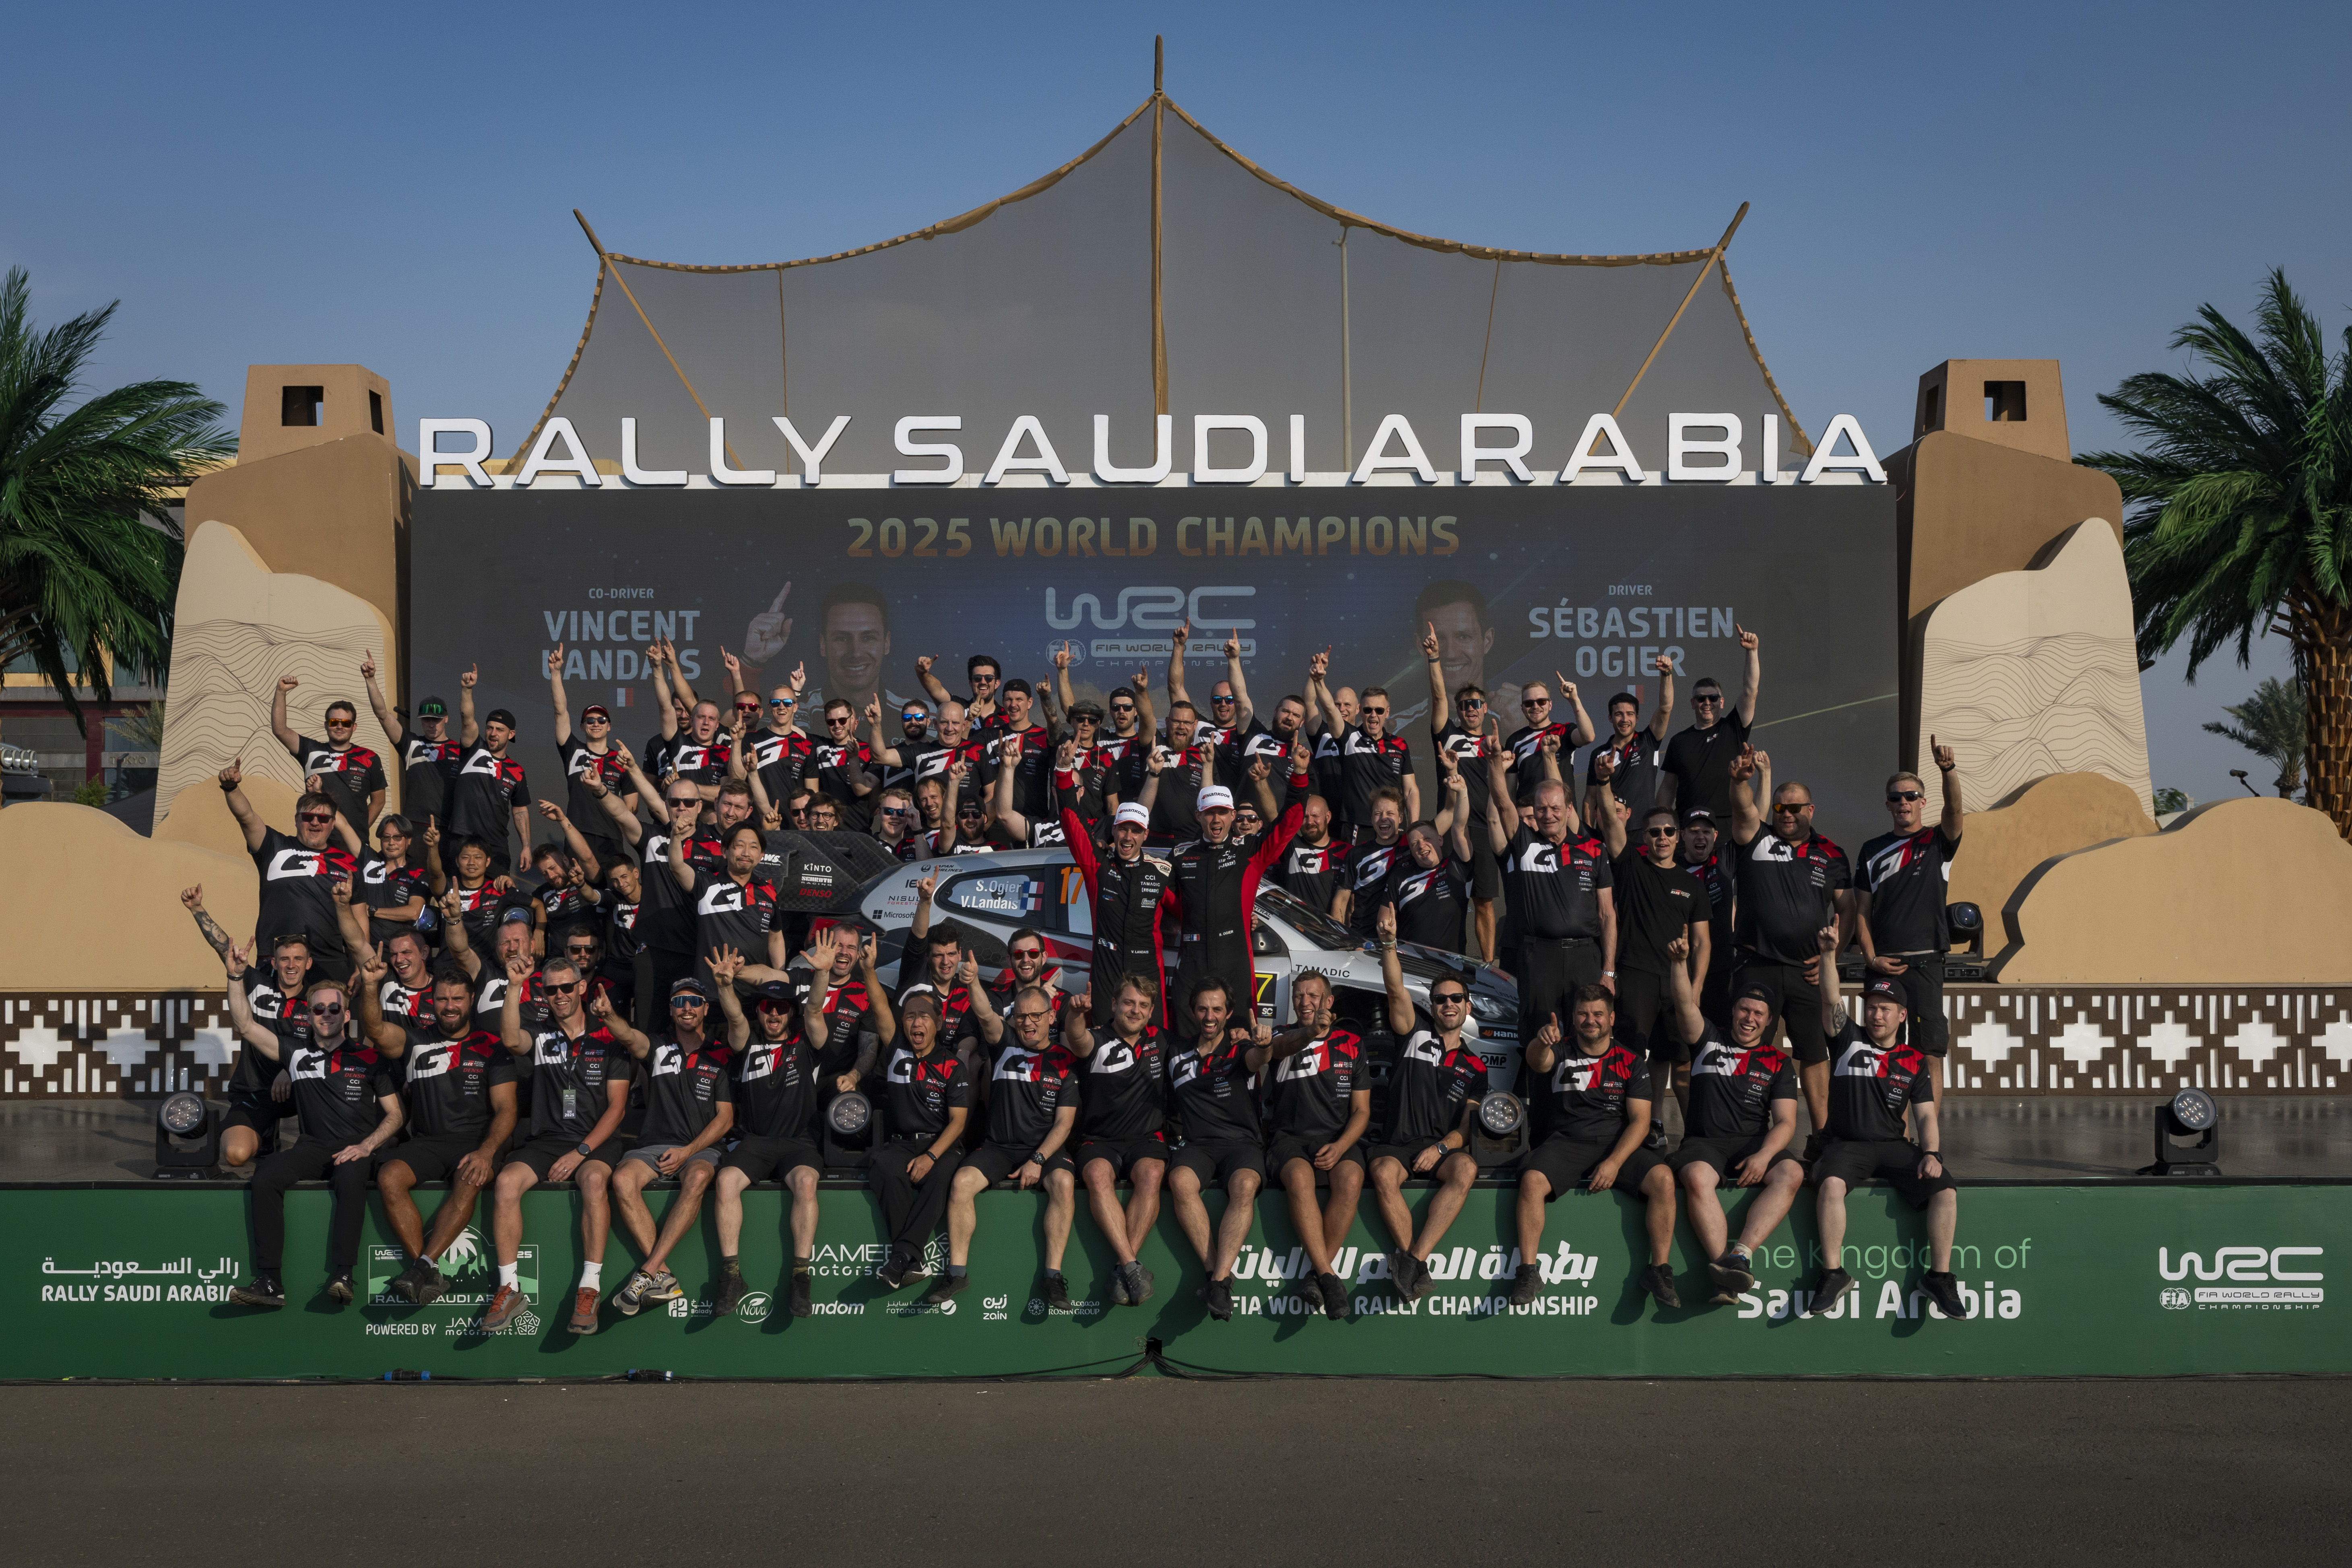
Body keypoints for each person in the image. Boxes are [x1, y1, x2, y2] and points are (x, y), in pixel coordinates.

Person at [223, 958, 402, 1310]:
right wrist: (234, 976)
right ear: (309, 1016)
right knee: (266, 1176)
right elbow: (245, 1025)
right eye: (318, 1009)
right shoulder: (295, 1053)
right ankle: (271, 1282)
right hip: (313, 1147)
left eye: (334, 1009)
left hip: (357, 1148)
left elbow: (396, 1115)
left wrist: (367, 1146)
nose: (326, 1015)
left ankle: (344, 1275)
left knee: (350, 1177)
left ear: (346, 1015)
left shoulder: (370, 1057)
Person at [1806, 941, 1966, 1321]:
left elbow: (1925, 1116)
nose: (1876, 1015)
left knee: (1945, 1190)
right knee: (1831, 1186)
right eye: (1872, 1008)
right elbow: (1830, 1000)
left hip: (1895, 1146)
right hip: (1848, 1145)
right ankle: (1833, 1274)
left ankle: (1939, 1278)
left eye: (1885, 1009)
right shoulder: (1847, 1039)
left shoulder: (1913, 1060)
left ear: (1902, 1015)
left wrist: (1932, 1153)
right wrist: (1828, 955)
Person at [355, 955, 519, 1306]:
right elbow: (375, 1029)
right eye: (442, 999)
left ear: (471, 1000)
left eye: (457, 999)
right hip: (428, 1142)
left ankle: (420, 1268)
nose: (450, 1006)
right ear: (432, 1001)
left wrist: (487, 1152)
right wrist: (370, 986)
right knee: (389, 1177)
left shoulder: (493, 1046)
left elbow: (507, 1109)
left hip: (476, 1142)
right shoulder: (414, 1039)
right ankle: (426, 1270)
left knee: (470, 1178)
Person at [480, 954, 631, 1335]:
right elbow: (510, 1039)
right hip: (547, 1139)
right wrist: (515, 985)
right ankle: (509, 1288)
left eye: (567, 987)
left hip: (594, 1142)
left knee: (594, 1181)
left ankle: (589, 1288)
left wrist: (581, 1152)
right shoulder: (540, 1032)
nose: (560, 995)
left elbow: (617, 1109)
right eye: (551, 990)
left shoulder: (608, 1037)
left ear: (581, 987)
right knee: (506, 1182)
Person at [1510, 984, 1678, 1310]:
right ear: (1573, 1018)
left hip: (1617, 1143)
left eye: (1598, 1014)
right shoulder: (1560, 1049)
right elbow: (1538, 1062)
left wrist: (1614, 1162)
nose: (1591, 1020)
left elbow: (1641, 1123)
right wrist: (1540, 1041)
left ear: (1611, 1018)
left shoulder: (1631, 1061)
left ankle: (1660, 1271)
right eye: (1583, 1014)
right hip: (1567, 1142)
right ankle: (1527, 1273)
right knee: (1532, 1180)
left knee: (1663, 1179)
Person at [1658, 939, 1804, 1306]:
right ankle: (1725, 1268)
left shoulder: (1778, 1062)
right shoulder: (1707, 1039)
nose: (1750, 1019)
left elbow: (1786, 1122)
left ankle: (1741, 1256)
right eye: (1744, 1009)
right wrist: (1679, 963)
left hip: (1753, 1143)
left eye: (1758, 1013)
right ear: (1733, 1010)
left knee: (1792, 1173)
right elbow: (1684, 1004)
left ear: (1769, 1020)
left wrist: (1764, 1155)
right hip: (1704, 1142)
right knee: (1696, 1177)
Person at [605, 953, 745, 1319]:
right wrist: (608, 1016)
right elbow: (628, 1036)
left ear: (705, 1009)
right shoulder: (657, 1046)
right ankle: (663, 1275)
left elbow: (726, 1119)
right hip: (653, 1145)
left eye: (694, 1002)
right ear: (671, 1009)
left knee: (698, 1177)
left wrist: (687, 1151)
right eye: (679, 1001)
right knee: (621, 1180)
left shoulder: (720, 1054)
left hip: (701, 1149)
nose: (687, 1008)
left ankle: (647, 1272)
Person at [707, 937, 839, 1319]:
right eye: (768, 1008)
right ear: (761, 1012)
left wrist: (823, 973)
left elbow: (815, 1009)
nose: (775, 1015)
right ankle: (731, 1276)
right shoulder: (747, 1044)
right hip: (756, 1142)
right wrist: (725, 986)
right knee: (726, 1181)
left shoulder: (807, 1045)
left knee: (806, 1183)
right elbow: (735, 1018)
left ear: (789, 1014)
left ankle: (801, 1276)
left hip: (798, 1143)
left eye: (782, 1008)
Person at [1726, 745, 1852, 1136]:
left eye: (1796, 808)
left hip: (1807, 973)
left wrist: (1832, 959)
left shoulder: (1832, 853)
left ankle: (1822, 1137)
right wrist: (1740, 781)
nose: (1787, 814)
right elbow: (1744, 808)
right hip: (1756, 966)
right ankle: (1744, 1135)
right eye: (1780, 807)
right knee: (1747, 1050)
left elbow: (1847, 909)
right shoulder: (1756, 837)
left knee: (1814, 1054)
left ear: (1811, 810)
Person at [1364, 905, 1487, 1302]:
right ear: (1432, 1006)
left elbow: (1467, 1128)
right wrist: (1388, 944)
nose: (1448, 1004)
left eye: (1456, 998)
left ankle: (1413, 1259)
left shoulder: (1476, 1066)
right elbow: (1395, 989)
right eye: (1440, 999)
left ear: (1468, 1006)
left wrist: (1441, 1149)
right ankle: (1414, 1264)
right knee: (1383, 1172)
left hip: (1439, 1148)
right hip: (1398, 1144)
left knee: (1467, 1167)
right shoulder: (1412, 1033)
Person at [935, 981, 1081, 1309]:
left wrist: (1038, 1160)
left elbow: (1064, 1124)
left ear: (1051, 1017)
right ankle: (957, 1273)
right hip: (999, 1147)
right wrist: (973, 982)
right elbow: (985, 1014)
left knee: (1064, 1182)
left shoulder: (1065, 1060)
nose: (1028, 1023)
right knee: (962, 1182)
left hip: (1045, 1149)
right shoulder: (1005, 1043)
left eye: (1036, 1016)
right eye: (1022, 1016)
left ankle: (1053, 1276)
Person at [1589, 757, 1712, 1137]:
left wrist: (1695, 990)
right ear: (1644, 837)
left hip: (1676, 982)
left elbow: (1703, 942)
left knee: (1677, 1058)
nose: (1662, 837)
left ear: (1679, 836)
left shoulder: (1692, 884)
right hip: (1636, 976)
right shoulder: (1630, 865)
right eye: (1655, 832)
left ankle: (1680, 1132)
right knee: (1630, 1057)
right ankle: (1629, 1130)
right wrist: (1604, 783)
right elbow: (1611, 823)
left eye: (1669, 832)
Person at [1164, 741, 1312, 1036]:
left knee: (1240, 1039)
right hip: (1192, 960)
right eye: (1209, 813)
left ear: (1233, 816)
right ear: (1198, 816)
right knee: (1186, 1041)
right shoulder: (1179, 855)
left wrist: (1299, 775)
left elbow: (1288, 823)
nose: (1216, 819)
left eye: (1222, 813)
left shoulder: (1249, 850)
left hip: (1234, 960)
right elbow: (1161, 902)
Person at [1483, 749, 1614, 1040]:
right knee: (1539, 1037)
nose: (1548, 815)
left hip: (1585, 957)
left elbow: (1607, 914)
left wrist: (1609, 971)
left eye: (1555, 808)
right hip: (1540, 957)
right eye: (1541, 809)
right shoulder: (1524, 843)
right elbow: (1503, 804)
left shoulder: (1594, 849)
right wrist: (1495, 766)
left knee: (1589, 1036)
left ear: (1569, 809)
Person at [1857, 739, 1964, 1091]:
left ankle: (1929, 1129)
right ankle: (1893, 1125)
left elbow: (1955, 809)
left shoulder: (1938, 841)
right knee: (1883, 1051)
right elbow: (1862, 911)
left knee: (1929, 1053)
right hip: (1884, 966)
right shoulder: (1871, 850)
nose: (1903, 802)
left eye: (1911, 796)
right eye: (1896, 797)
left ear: (1922, 802)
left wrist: (1948, 771)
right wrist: (1871, 959)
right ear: (1887, 804)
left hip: (1926, 964)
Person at [1165, 980, 1275, 1321]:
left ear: (1229, 1013)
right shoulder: (1175, 1051)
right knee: (1180, 1181)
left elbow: (1258, 1059)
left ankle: (1219, 1280)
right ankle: (1217, 1277)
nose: (1209, 1016)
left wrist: (1265, 1045)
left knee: (1245, 1186)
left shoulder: (1240, 1047)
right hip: (1197, 1146)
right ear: (1192, 1012)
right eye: (1203, 1009)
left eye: (1217, 1009)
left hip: (1241, 1144)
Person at [1262, 972, 1369, 1321]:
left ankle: (1315, 1276)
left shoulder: (1352, 1043)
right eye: (1299, 996)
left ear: (1329, 1001)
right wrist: (1311, 1033)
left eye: (1313, 995)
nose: (1305, 1002)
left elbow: (1362, 1111)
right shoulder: (1280, 1035)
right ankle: (1328, 1276)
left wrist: (1340, 1147)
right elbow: (1278, 1050)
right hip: (1288, 1139)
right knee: (1299, 1178)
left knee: (1351, 1179)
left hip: (1337, 1138)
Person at [1062, 973, 1172, 1307]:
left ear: (1151, 1011)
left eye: (1143, 1005)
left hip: (1146, 1139)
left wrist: (1238, 1034)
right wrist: (1076, 1014)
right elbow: (1076, 1037)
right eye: (1128, 1003)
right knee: (1097, 1175)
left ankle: (1124, 1268)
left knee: (1152, 1174)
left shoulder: (1162, 1040)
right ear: (1114, 1004)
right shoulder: (1096, 1039)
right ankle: (1132, 1267)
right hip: (1100, 1140)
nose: (1135, 1011)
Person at [184, 885, 309, 1168]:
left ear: (309, 963)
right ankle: (264, 1134)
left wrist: (292, 1070)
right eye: (285, 959)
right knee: (235, 1155)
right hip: (254, 1091)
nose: (291, 965)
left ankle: (312, 1140)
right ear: (274, 963)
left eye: (298, 959)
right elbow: (223, 948)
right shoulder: (256, 984)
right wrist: (197, 909)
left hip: (301, 1090)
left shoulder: (318, 999)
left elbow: (326, 1046)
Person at [862, 991, 970, 1292]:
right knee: (884, 1167)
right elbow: (879, 1005)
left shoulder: (953, 1066)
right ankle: (911, 1260)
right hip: (902, 1143)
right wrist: (868, 970)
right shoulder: (897, 1049)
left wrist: (931, 1157)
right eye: (910, 1016)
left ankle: (900, 1257)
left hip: (942, 1144)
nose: (916, 1023)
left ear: (939, 1023)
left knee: (941, 1176)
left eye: (924, 1016)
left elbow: (958, 1122)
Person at [219, 759, 357, 980]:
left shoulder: (348, 862)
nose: (315, 823)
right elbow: (246, 817)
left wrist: (359, 969)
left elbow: (359, 919)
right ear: (296, 820)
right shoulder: (275, 846)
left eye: (323, 818)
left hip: (329, 963)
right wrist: (231, 788)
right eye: (307, 817)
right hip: (276, 960)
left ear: (333, 824)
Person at [1058, 793, 1177, 1028]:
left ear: (1146, 835)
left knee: (1152, 1040)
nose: (1128, 837)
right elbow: (1073, 825)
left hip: (1147, 971)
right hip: (1107, 971)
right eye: (1123, 829)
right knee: (1103, 1041)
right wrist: (1063, 778)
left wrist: (1247, 918)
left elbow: (1193, 912)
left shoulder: (1161, 872)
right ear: (1114, 831)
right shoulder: (1099, 865)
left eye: (1136, 831)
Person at [1429, 660, 1504, 961]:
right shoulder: (1447, 734)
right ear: (1457, 710)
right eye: (1463, 705)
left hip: (1485, 832)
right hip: (1452, 830)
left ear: (1485, 708)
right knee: (1450, 901)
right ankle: (1448, 962)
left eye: (1475, 704)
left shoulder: (1494, 745)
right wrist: (1435, 659)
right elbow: (1438, 696)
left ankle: (1487, 966)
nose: (1470, 709)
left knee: (1484, 902)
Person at [1658, 625, 1760, 822]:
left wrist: (1752, 652)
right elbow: (1668, 787)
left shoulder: (1733, 728)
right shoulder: (1679, 741)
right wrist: (1662, 821)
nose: (1707, 703)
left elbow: (1750, 691)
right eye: (1701, 699)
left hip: (1728, 824)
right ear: (1693, 703)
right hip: (1689, 825)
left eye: (1713, 698)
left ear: (1721, 702)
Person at [1376, 753, 1477, 953]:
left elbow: (1458, 825)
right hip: (1411, 963)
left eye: (1427, 839)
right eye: (1415, 843)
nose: (1421, 845)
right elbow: (1385, 918)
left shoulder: (1458, 866)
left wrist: (1462, 789)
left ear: (1440, 840)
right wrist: (1385, 928)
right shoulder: (1400, 877)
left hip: (1452, 965)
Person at [548, 643, 635, 866]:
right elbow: (560, 712)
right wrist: (556, 673)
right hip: (577, 834)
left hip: (611, 838)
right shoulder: (573, 750)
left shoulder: (622, 759)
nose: (596, 723)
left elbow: (631, 810)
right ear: (582, 726)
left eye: (602, 720)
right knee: (579, 886)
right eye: (590, 720)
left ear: (609, 726)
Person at [1312, 665, 1418, 840]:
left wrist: (1414, 826)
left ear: (1387, 713)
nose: (1373, 715)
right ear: (1360, 711)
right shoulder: (1350, 737)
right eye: (1368, 710)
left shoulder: (1400, 744)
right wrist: (1319, 682)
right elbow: (1330, 709)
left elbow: (1411, 790)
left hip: (1394, 827)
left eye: (1379, 710)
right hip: (1358, 828)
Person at [269, 674, 385, 834]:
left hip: (354, 843)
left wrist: (356, 832)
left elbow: (379, 801)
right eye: (334, 722)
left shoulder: (370, 757)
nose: (339, 727)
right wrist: (281, 692)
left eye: (346, 723)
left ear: (354, 727)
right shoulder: (311, 750)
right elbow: (280, 730)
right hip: (316, 839)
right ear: (326, 725)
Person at [361, 652, 460, 826]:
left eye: (436, 719)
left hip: (449, 829)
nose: (432, 724)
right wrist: (370, 680)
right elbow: (382, 715)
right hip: (414, 826)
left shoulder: (461, 751)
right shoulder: (411, 744)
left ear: (446, 719)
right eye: (427, 720)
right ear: (421, 721)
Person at [453, 665, 532, 880]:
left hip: (496, 845)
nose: (493, 733)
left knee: (499, 895)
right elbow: (467, 718)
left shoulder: (517, 771)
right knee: (459, 895)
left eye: (500, 729)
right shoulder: (474, 749)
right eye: (490, 728)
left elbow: (520, 810)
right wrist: (467, 690)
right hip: (462, 840)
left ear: (511, 734)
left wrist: (526, 846)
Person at [1585, 654, 1677, 826]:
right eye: (1619, 714)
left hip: (1644, 830)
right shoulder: (1599, 754)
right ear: (1610, 718)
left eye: (1630, 714)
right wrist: (1589, 835)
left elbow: (1665, 708)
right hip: (1610, 831)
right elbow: (1590, 799)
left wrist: (1667, 674)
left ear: (1637, 718)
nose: (1625, 720)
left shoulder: (1648, 741)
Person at [1678, 807, 1735, 1025]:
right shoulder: (1672, 868)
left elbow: (1754, 819)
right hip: (1683, 966)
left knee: (1720, 1033)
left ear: (1716, 835)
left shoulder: (1725, 860)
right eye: (1694, 831)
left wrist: (1764, 783)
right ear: (1683, 835)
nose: (1701, 837)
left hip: (1721, 967)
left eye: (1706, 832)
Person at [1500, 677, 1595, 808]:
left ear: (1550, 705)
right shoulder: (1514, 740)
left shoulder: (1564, 731)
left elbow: (1588, 737)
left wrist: (1574, 700)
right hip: (1529, 816)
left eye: (1542, 702)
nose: (1535, 707)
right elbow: (1510, 791)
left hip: (1562, 813)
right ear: (1522, 708)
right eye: (1529, 703)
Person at [1331, 786, 1407, 932]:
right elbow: (1341, 898)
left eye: (1390, 813)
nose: (1384, 818)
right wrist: (1338, 936)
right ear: (1372, 819)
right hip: (1363, 938)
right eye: (1378, 814)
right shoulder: (1356, 854)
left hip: (1403, 938)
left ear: (1401, 818)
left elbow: (1446, 817)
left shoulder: (1411, 846)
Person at [1272, 792, 1350, 917]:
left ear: (1328, 817)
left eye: (1315, 816)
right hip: (1293, 925)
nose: (1310, 822)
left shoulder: (1347, 851)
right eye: (1305, 817)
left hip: (1330, 927)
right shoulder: (1291, 845)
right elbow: (1272, 815)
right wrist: (1260, 783)